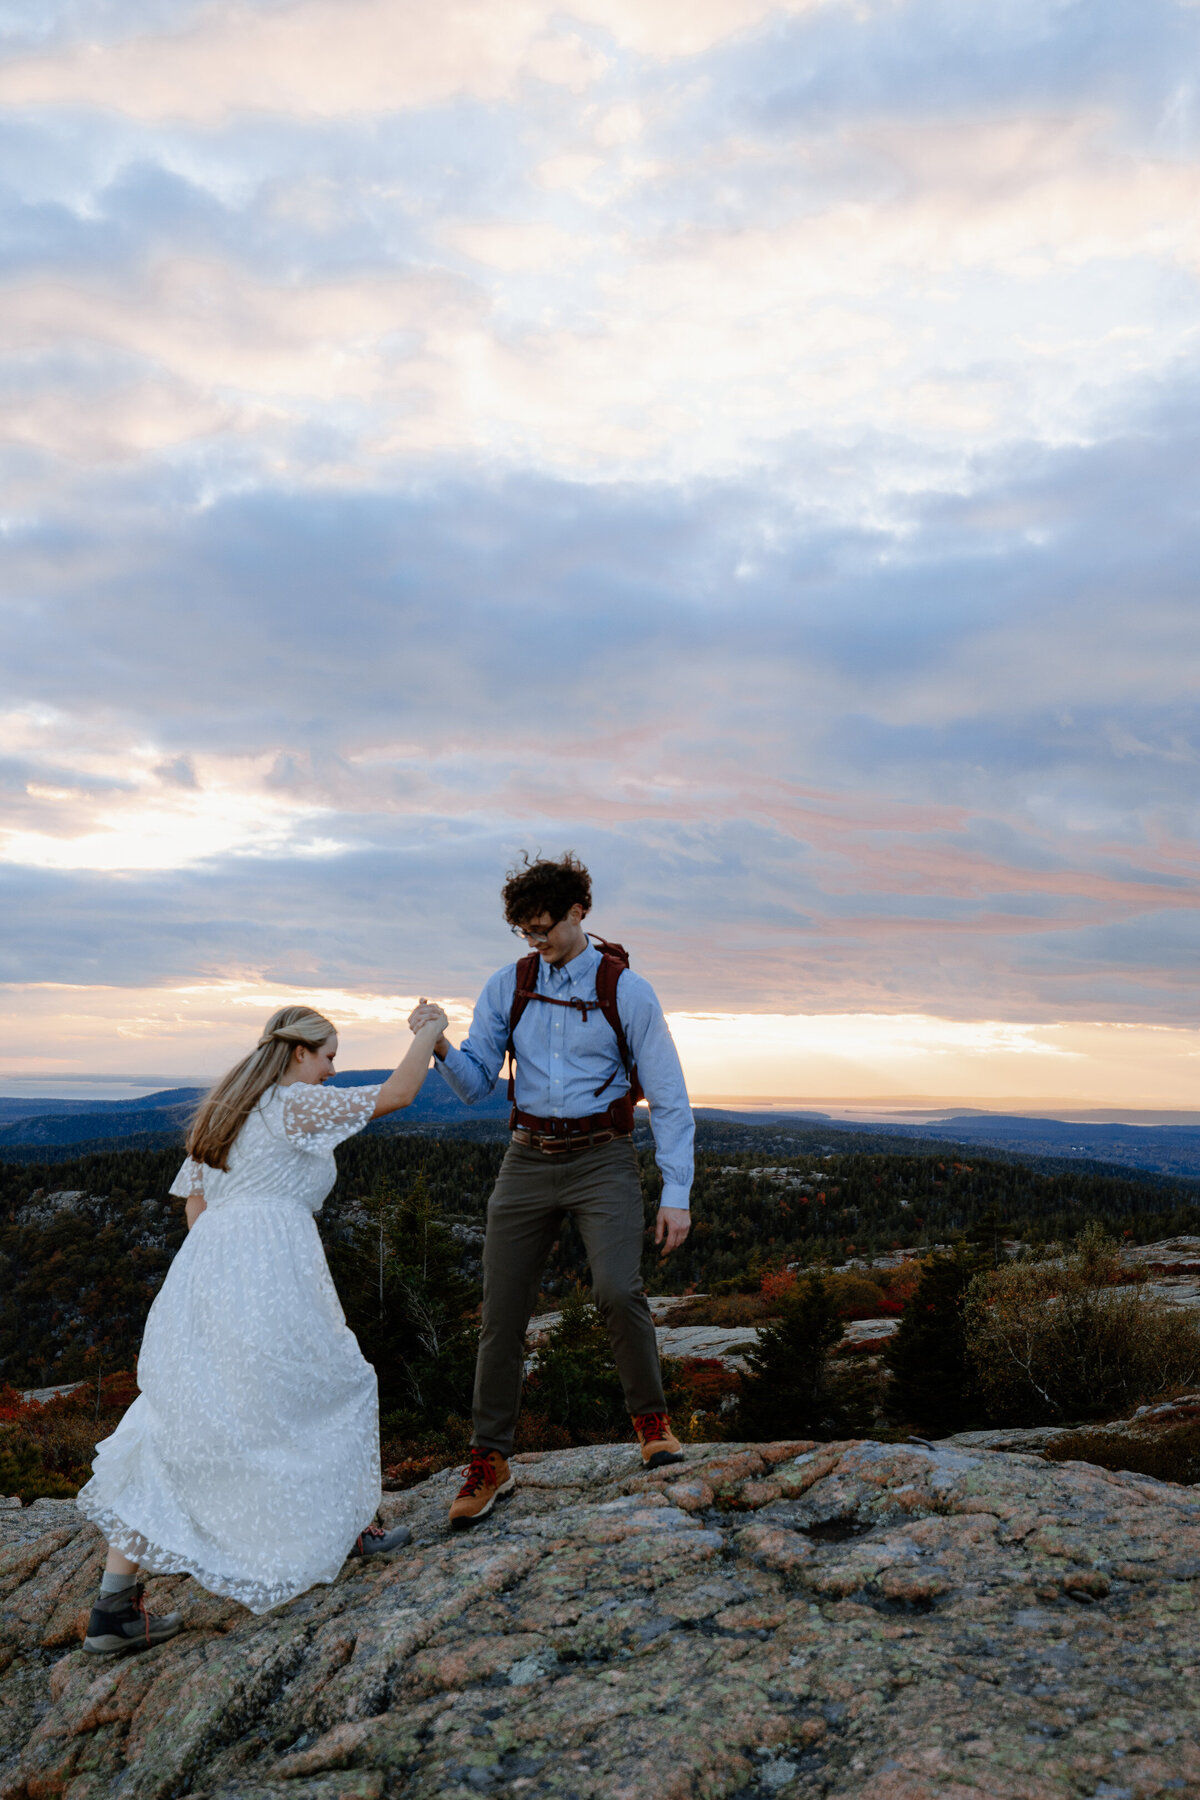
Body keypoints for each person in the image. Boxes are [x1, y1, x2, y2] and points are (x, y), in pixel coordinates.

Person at [75, 1000, 447, 1653]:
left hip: (205, 1272)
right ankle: (349, 1528)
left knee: (173, 1419)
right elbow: (399, 1091)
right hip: (274, 1265)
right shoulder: (291, 1104)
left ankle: (114, 1606)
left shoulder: (225, 1111)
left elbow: (196, 1205)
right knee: (335, 1387)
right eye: (328, 1054)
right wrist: (431, 1031)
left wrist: (224, 1275)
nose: (333, 1069)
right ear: (298, 1052)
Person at [408, 853, 694, 1529]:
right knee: (500, 1312)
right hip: (527, 1158)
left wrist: (675, 1191)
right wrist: (439, 1043)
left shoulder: (628, 991)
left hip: (605, 1158)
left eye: (545, 928)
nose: (536, 940)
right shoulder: (507, 985)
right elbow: (480, 1083)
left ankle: (653, 1425)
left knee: (617, 1291)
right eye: (524, 931)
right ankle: (490, 1460)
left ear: (578, 913)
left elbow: (672, 1100)